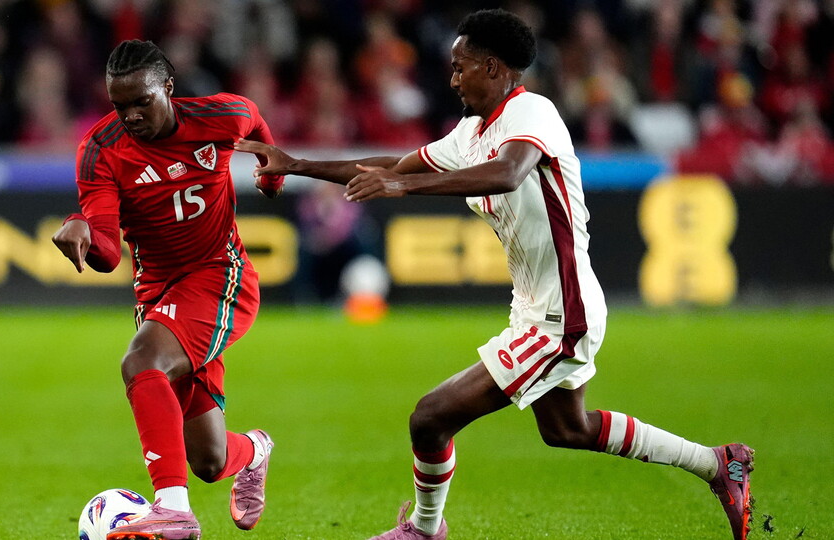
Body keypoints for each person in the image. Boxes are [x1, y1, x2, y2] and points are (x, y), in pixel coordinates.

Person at [234, 9, 753, 540]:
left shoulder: (534, 112)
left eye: (461, 67)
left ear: (493, 67)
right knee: (567, 428)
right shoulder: (469, 133)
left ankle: (424, 529)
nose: (453, 77)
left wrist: (402, 190)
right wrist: (296, 165)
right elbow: (391, 165)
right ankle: (719, 464)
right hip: (534, 304)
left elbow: (508, 174)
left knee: (430, 418)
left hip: (561, 311)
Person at [52, 39, 282, 540]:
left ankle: (172, 510)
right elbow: (111, 253)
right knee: (208, 459)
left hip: (221, 276)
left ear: (169, 89)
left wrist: (270, 166)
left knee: (141, 362)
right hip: (157, 293)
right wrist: (82, 229)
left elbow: (254, 118)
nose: (130, 116)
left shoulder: (218, 116)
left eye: (141, 102)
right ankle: (256, 450)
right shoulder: (100, 150)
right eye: (119, 105)